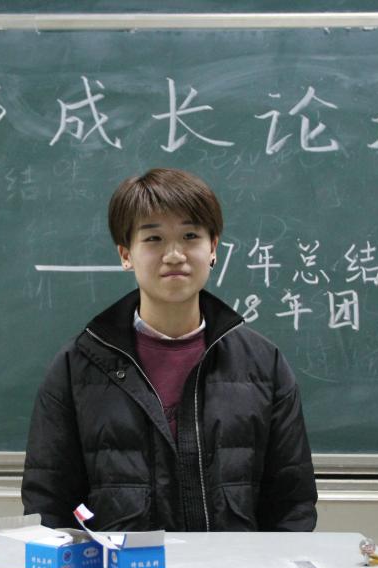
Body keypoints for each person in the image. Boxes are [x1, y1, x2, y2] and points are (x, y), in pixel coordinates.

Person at [21, 168, 317, 532]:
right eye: (154, 238)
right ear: (126, 254)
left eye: (190, 236)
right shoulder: (78, 366)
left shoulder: (263, 364)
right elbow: (49, 505)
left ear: (213, 248)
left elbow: (292, 505)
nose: (174, 255)